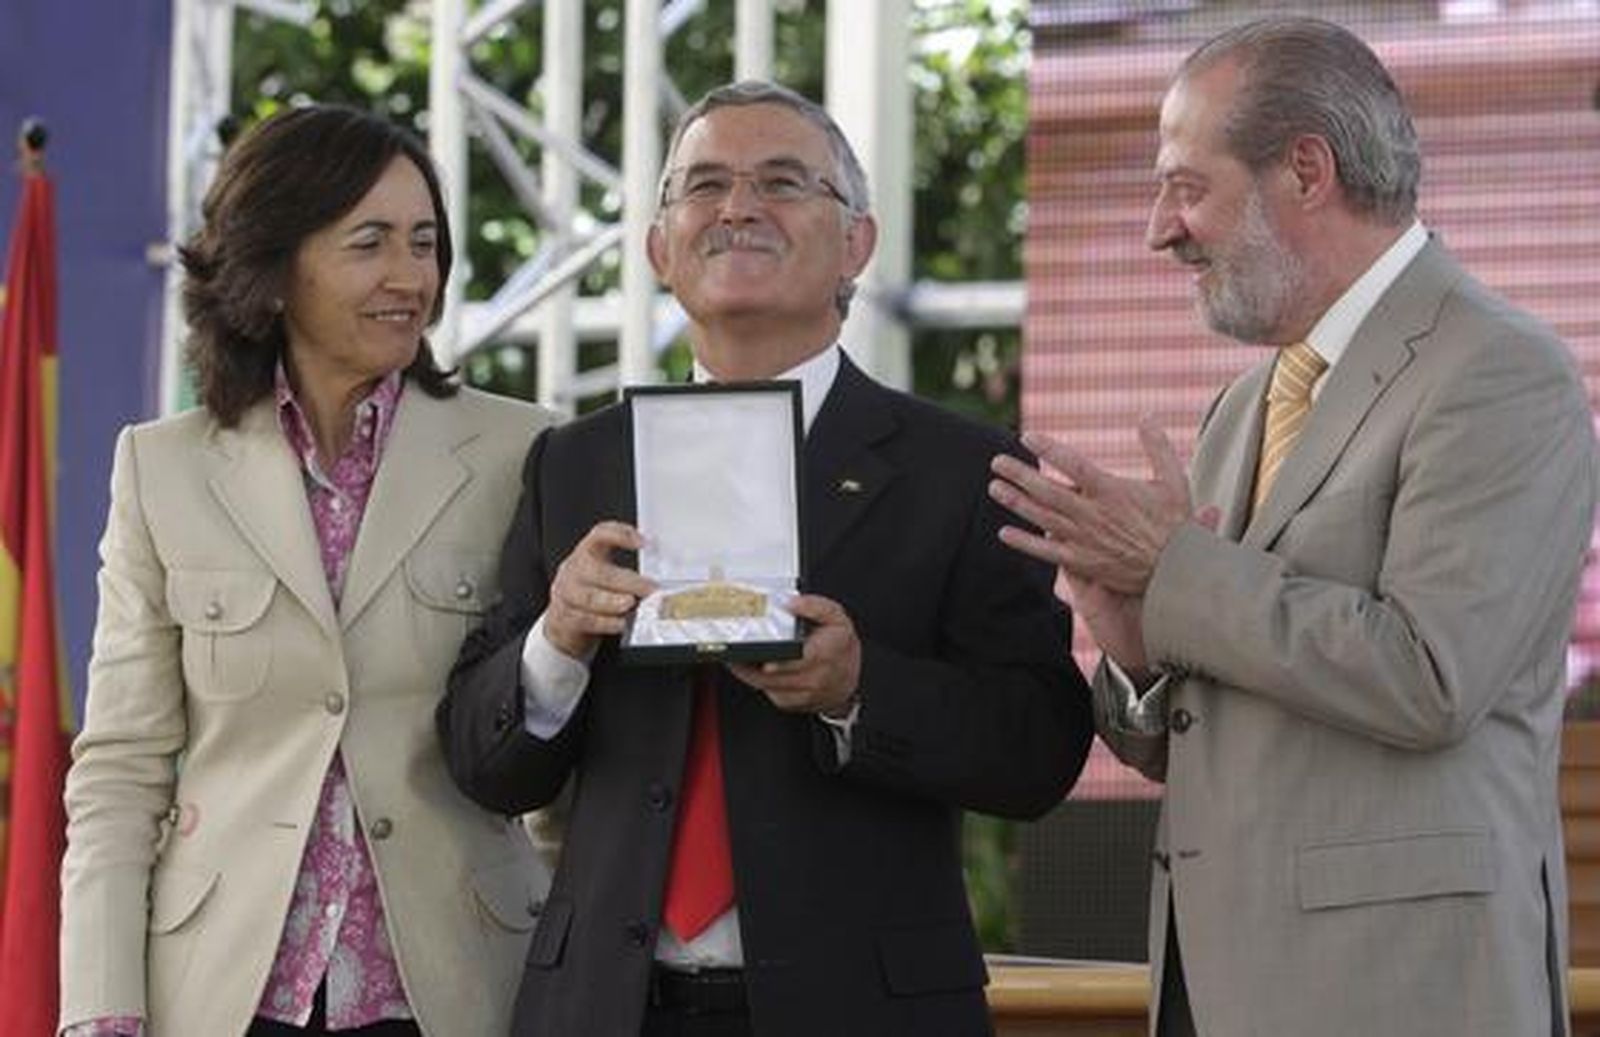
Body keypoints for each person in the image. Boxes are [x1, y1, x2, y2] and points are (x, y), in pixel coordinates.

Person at [437, 80, 1094, 1037]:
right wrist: (557, 641)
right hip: (607, 1009)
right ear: (660, 248)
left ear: (857, 243)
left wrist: (861, 688)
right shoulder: (572, 464)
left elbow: (1038, 749)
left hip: (864, 1010)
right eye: (704, 185)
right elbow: (485, 764)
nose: (737, 207)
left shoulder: (964, 470)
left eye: (782, 182)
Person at [989, 15, 1596, 1037]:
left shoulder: (1500, 370)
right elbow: (1210, 737)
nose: (1160, 231)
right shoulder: (1245, 405)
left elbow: (1429, 675)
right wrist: (1136, 647)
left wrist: (1174, 570)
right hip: (1213, 980)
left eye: (1186, 187)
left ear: (1306, 172)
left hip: (1398, 991)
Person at [58, 105, 558, 1036]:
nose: (410, 276)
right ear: (275, 265)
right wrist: (101, 1010)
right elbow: (120, 769)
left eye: (424, 242)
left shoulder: (524, 453)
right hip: (226, 994)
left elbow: (562, 755)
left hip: (461, 990)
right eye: (370, 243)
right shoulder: (162, 468)